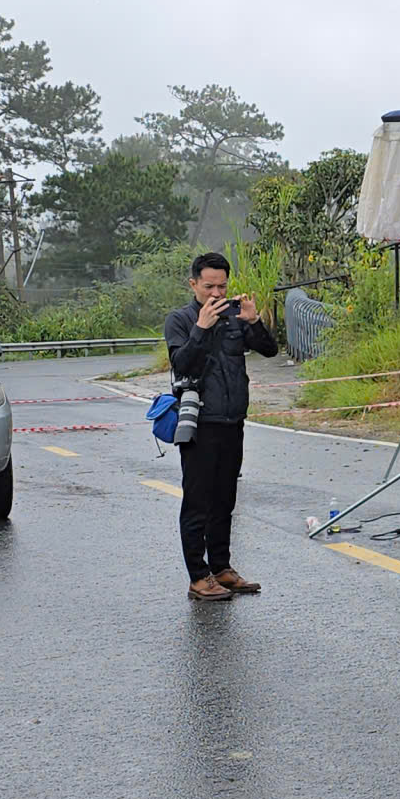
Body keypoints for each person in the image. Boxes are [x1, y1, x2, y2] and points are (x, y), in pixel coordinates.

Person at [164, 252, 279, 602]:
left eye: (222, 286)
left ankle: (222, 568)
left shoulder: (233, 317)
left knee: (225, 500)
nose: (216, 293)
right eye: (209, 286)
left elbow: (270, 351)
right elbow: (181, 363)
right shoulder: (180, 320)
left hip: (233, 420)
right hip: (200, 422)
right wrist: (201, 328)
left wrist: (253, 321)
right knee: (198, 502)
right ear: (193, 284)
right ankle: (198, 577)